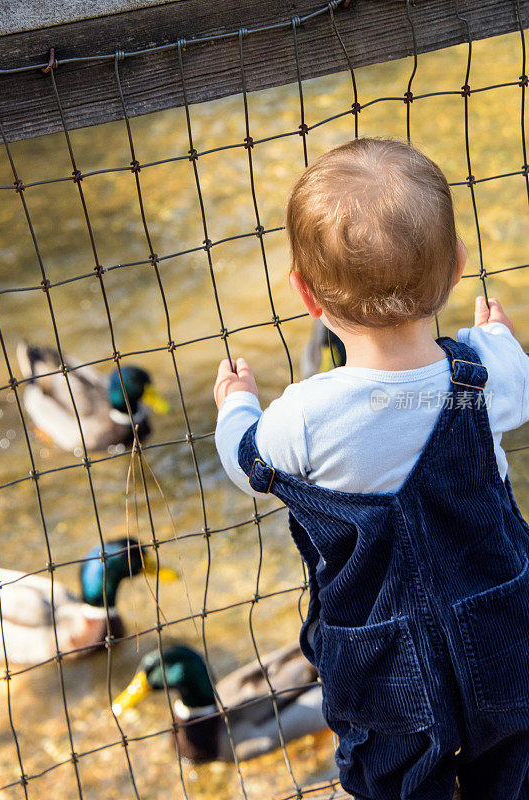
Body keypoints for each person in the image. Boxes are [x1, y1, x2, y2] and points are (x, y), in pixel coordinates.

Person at [212, 138, 529, 800]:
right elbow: (518, 382)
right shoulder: (482, 369)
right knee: (513, 766)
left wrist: (236, 406)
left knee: (395, 784)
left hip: (381, 669)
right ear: (457, 270)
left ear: (305, 294)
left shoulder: (302, 415)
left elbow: (248, 464)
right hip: (505, 635)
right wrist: (495, 333)